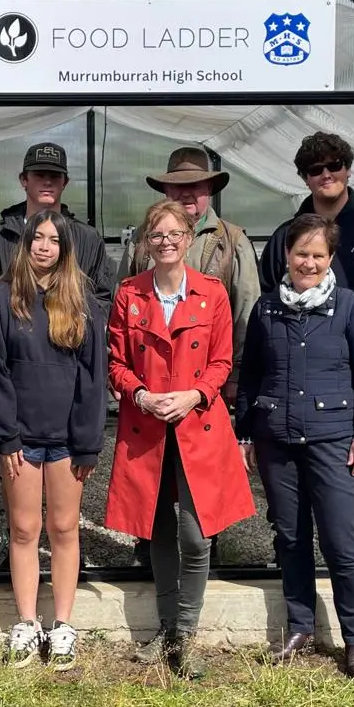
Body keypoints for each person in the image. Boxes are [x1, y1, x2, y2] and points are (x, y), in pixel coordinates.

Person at [106, 199, 255, 678]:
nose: (166, 242)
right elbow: (116, 363)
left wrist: (193, 394)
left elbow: (222, 361)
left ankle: (186, 633)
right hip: (147, 426)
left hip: (198, 425)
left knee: (195, 532)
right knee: (155, 528)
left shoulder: (212, 294)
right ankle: (168, 631)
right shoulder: (130, 293)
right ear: (145, 244)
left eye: (174, 234)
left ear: (190, 239)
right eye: (156, 236)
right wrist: (143, 395)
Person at [237, 214, 354, 676]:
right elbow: (251, 375)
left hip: (333, 441)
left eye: (319, 255)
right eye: (302, 253)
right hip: (277, 439)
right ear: (286, 255)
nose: (309, 262)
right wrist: (245, 432)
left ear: (331, 259)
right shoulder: (266, 310)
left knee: (342, 541)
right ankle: (300, 627)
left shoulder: (349, 307)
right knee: (291, 537)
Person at [259, 132, 354, 566]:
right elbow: (268, 303)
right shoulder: (286, 236)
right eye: (316, 169)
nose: (326, 174)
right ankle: (292, 561)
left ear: (348, 168)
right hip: (295, 381)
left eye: (334, 165)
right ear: (304, 177)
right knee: (290, 475)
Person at [0, 209, 107, 671]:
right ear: (25, 242)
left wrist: (88, 440)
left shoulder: (84, 302)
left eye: (54, 239)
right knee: (24, 529)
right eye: (38, 237)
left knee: (65, 528)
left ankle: (63, 625)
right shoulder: (0, 298)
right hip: (21, 440)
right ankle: (28, 623)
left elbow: (94, 378)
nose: (44, 246)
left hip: (68, 441)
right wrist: (6, 435)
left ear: (66, 249)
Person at [121, 146, 260, 398]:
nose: (186, 193)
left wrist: (237, 375)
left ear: (209, 189)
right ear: (165, 191)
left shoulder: (233, 240)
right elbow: (121, 307)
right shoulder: (141, 239)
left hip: (212, 380)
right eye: (177, 186)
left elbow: (246, 315)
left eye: (195, 185)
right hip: (150, 382)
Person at [0, 141, 115, 306]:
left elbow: (102, 298)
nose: (47, 182)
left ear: (64, 182)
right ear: (24, 180)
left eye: (54, 176)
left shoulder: (88, 238)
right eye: (39, 175)